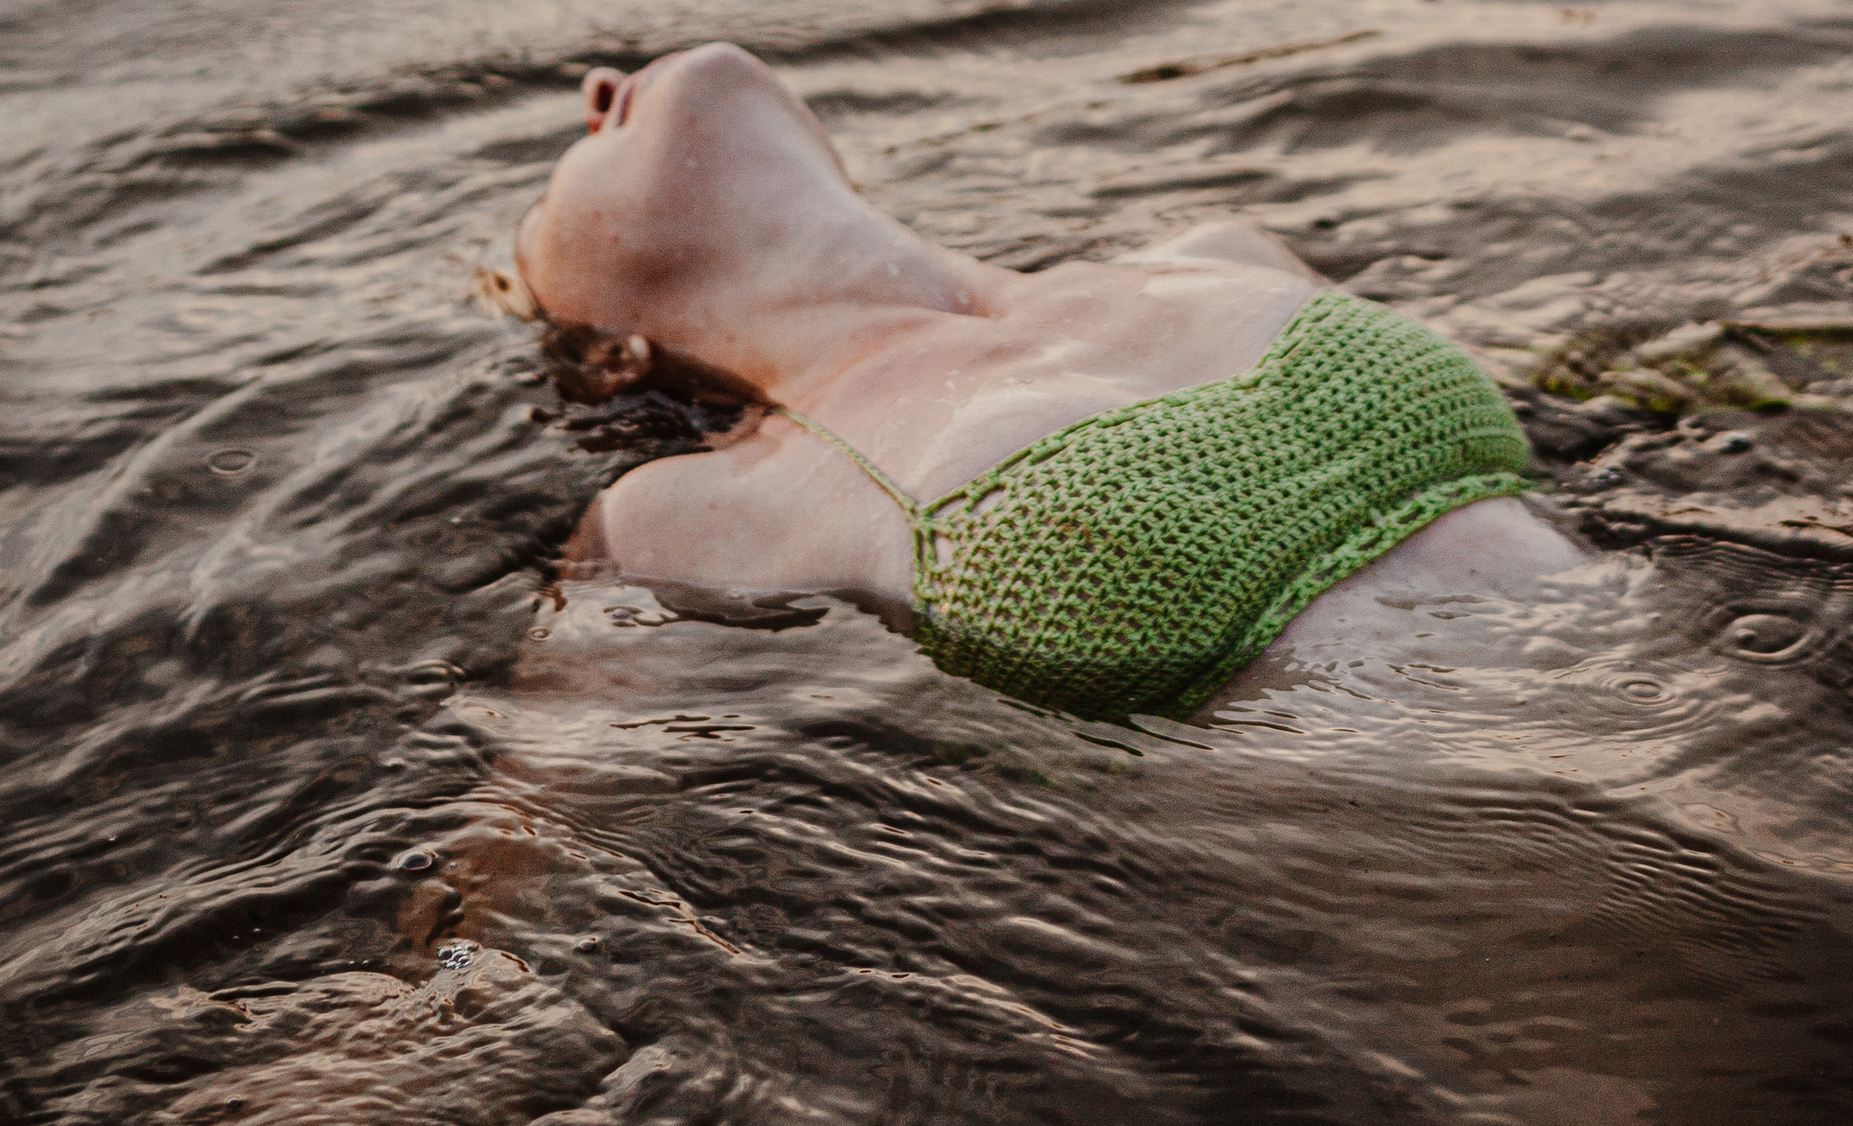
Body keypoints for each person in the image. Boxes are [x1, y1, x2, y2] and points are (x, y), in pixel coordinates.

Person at [503, 42, 1583, 721]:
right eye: (543, 205)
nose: (599, 89)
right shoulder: (688, 516)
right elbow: (509, 886)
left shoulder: (1223, 252)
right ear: (614, 355)